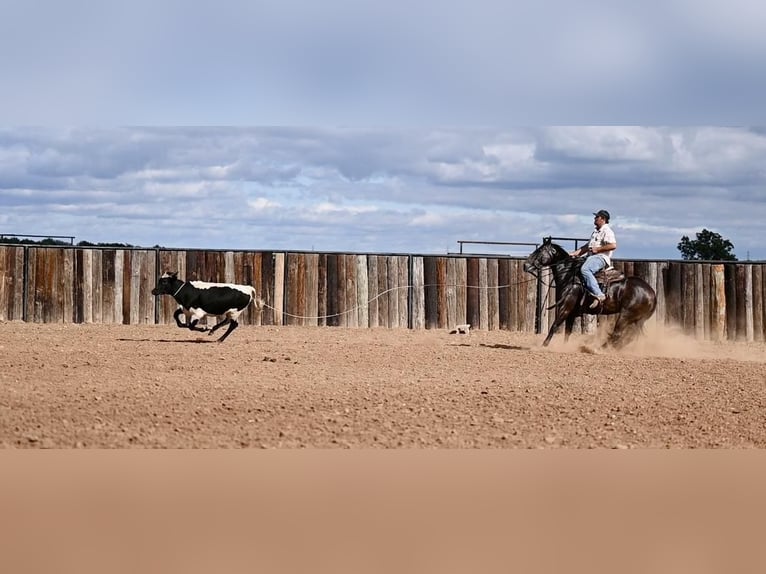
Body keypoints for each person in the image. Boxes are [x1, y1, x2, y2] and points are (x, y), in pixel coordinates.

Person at [569, 209, 617, 308]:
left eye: (597, 217)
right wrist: (573, 254)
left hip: (601, 258)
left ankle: (599, 294)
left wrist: (598, 249)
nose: (594, 219)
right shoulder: (596, 232)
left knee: (585, 269)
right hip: (591, 257)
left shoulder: (607, 231)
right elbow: (586, 247)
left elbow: (613, 245)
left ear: (603, 219)